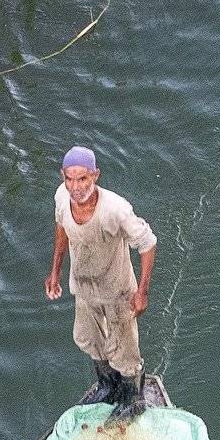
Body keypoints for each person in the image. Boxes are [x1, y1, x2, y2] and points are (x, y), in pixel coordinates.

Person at [44, 145, 157, 419]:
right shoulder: (62, 198)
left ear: (95, 176)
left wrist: (142, 292)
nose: (75, 187)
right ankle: (107, 385)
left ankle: (133, 398)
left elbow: (148, 243)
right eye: (69, 178)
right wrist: (55, 271)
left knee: (124, 348)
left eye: (82, 178)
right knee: (89, 338)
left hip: (117, 291)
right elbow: (62, 229)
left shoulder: (116, 210)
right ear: (62, 176)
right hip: (84, 287)